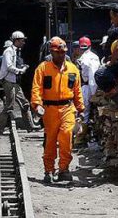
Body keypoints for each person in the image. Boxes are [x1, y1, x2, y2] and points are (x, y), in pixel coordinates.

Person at [32, 36, 84, 183]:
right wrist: (37, 104)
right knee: (50, 140)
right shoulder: (43, 69)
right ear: (51, 52)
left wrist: (80, 108)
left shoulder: (73, 70)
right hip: (49, 110)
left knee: (66, 137)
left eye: (63, 52)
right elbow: (36, 89)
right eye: (57, 52)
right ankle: (48, 170)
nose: (61, 55)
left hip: (67, 108)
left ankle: (64, 169)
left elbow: (77, 90)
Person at [0, 30, 38, 134]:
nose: (24, 42)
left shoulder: (15, 51)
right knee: (9, 106)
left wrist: (22, 67)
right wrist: (20, 70)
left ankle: (30, 126)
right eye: (22, 40)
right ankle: (0, 129)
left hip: (14, 82)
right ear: (16, 40)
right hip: (8, 81)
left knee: (25, 104)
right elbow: (9, 66)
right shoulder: (8, 51)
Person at [74, 36, 100, 147]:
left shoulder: (83, 58)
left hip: (83, 87)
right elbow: (93, 77)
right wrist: (94, 93)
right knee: (84, 113)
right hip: (87, 87)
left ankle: (79, 138)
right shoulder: (92, 58)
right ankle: (79, 139)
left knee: (81, 112)